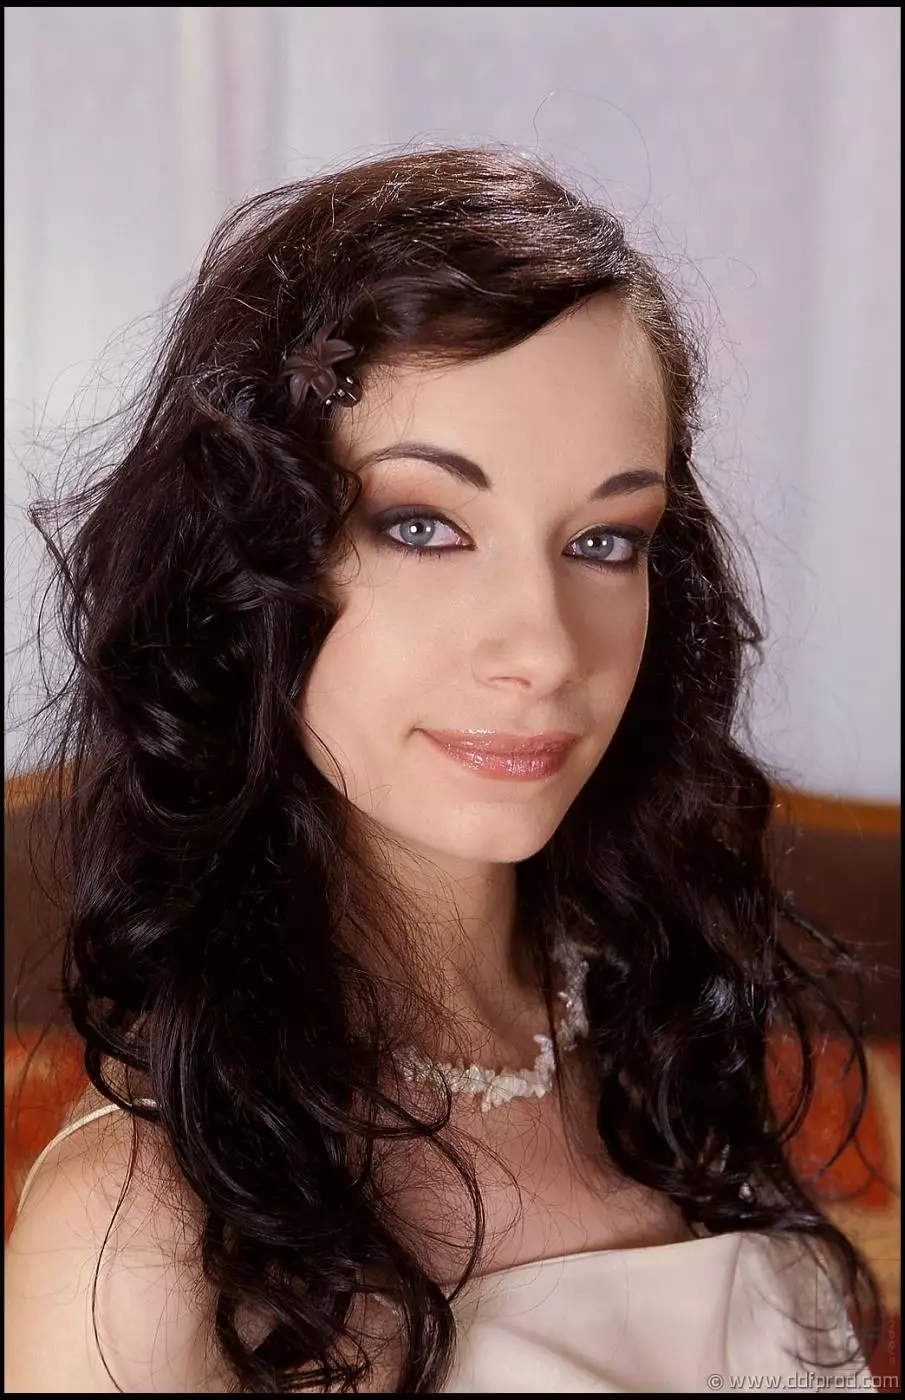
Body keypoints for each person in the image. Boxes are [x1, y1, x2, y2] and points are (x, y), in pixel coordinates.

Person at [4, 146, 882, 1394]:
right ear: (251, 564)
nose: (543, 648)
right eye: (421, 524)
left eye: (604, 539)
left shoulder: (668, 1043)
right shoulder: (138, 1230)